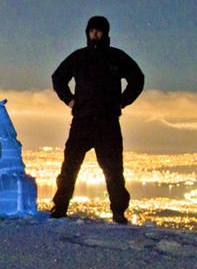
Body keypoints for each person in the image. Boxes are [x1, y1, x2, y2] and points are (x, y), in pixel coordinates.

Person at [50, 16, 144, 224]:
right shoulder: (79, 57)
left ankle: (119, 212)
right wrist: (70, 100)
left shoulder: (116, 57)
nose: (95, 34)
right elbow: (58, 78)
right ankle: (60, 207)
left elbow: (137, 79)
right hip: (82, 120)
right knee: (70, 167)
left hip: (107, 122)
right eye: (92, 31)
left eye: (99, 31)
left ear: (106, 33)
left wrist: (122, 101)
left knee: (113, 169)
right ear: (87, 32)